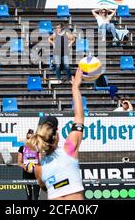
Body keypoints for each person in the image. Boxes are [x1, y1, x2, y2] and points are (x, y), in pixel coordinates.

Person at [26, 69, 85, 200]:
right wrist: (75, 87)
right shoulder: (69, 150)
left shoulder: (39, 168)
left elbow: (43, 187)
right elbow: (79, 117)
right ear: (56, 134)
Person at [18, 129, 41, 200]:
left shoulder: (38, 148)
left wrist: (36, 167)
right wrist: (25, 167)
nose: (29, 139)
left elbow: (41, 161)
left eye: (31, 138)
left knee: (36, 196)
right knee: (29, 196)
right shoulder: (22, 148)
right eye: (28, 138)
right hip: (26, 173)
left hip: (36, 173)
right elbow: (19, 162)